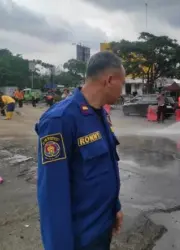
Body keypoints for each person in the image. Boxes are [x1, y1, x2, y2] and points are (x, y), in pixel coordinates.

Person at [35, 51, 125, 250]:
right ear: (109, 80)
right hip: (81, 238)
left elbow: (105, 167)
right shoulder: (60, 120)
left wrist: (115, 208)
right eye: (122, 83)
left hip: (102, 226)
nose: (123, 90)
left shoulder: (100, 113)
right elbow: (52, 193)